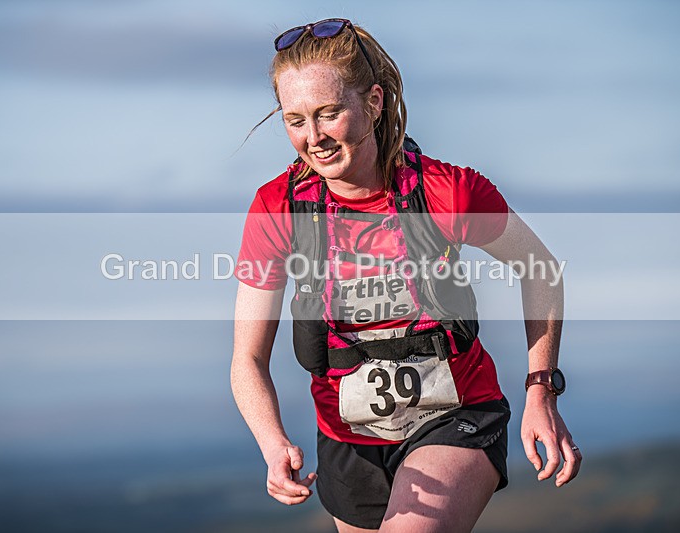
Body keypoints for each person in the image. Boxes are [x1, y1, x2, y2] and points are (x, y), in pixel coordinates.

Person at [231, 18, 581, 532]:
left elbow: (542, 272)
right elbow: (247, 357)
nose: (313, 138)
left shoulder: (447, 193)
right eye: (295, 120)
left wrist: (539, 389)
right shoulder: (277, 209)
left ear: (373, 102)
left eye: (329, 114)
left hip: (457, 417)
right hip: (347, 443)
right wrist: (272, 440)